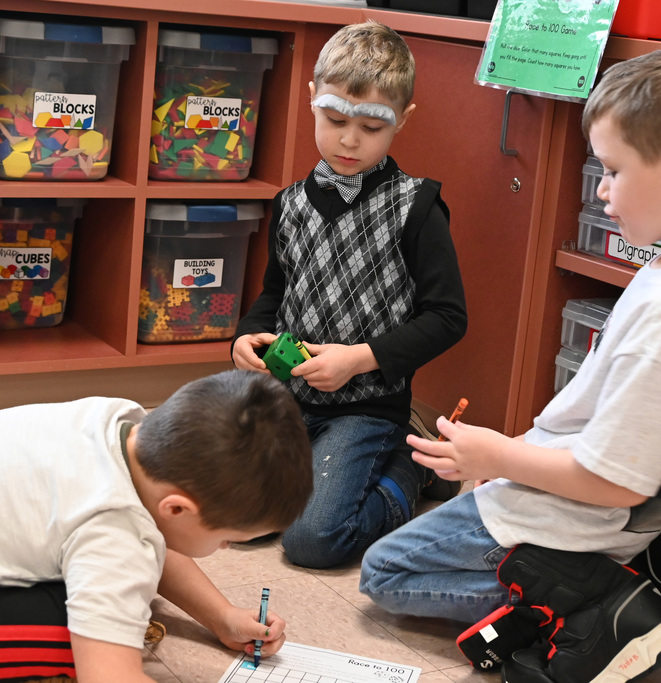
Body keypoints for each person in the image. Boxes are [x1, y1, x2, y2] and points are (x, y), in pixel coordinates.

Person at [359, 47, 661, 683]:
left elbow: (614, 483)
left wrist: (493, 457)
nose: (601, 190)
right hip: (624, 511)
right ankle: (654, 571)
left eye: (612, 170)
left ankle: (607, 606)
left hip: (577, 511)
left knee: (385, 573)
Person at [0, 370, 313, 683]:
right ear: (176, 508)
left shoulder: (120, 422)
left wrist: (222, 616)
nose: (227, 548)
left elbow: (148, 536)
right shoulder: (112, 532)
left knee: (118, 597)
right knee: (85, 632)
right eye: (228, 538)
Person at [231, 20, 467, 569]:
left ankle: (412, 468)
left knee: (311, 541)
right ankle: (322, 466)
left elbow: (448, 317)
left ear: (403, 121)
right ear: (311, 101)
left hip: (369, 407)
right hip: (290, 397)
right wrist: (246, 337)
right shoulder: (290, 203)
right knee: (237, 519)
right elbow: (273, 294)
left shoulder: (417, 207)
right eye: (335, 120)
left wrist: (360, 360)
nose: (349, 140)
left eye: (370, 127)